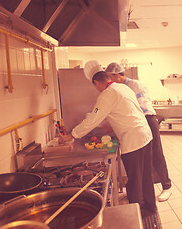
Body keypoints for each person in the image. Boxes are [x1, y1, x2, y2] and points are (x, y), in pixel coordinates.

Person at [59, 60, 156, 215]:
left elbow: (92, 120)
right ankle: (151, 207)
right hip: (145, 135)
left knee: (134, 181)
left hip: (133, 140)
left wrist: (71, 135)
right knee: (145, 176)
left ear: (96, 82)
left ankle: (136, 213)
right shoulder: (122, 87)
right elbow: (128, 112)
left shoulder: (107, 95)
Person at [105, 62, 172, 202]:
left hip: (148, 120)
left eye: (110, 77)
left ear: (117, 75)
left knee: (157, 154)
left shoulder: (136, 85)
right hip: (137, 124)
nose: (109, 81)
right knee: (144, 159)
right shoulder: (120, 88)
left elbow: (141, 107)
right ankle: (143, 192)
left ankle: (167, 186)